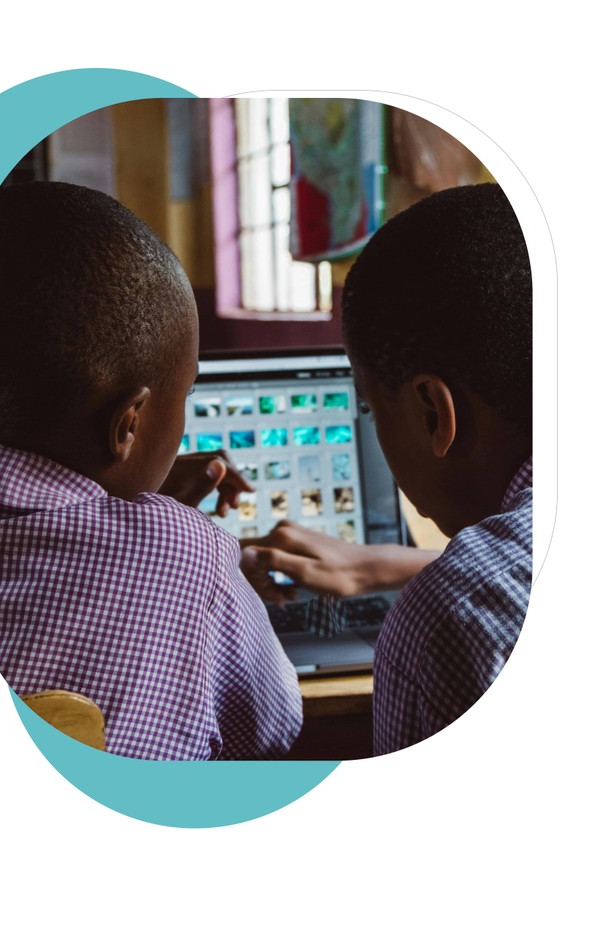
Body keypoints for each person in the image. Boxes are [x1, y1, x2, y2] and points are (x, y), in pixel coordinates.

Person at [0, 180, 302, 761]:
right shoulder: (188, 558)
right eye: (187, 392)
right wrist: (176, 533)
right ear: (128, 424)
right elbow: (274, 728)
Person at [242, 183, 532, 756]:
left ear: (432, 412)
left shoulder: (453, 611)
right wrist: (389, 564)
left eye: (371, 408)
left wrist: (438, 577)